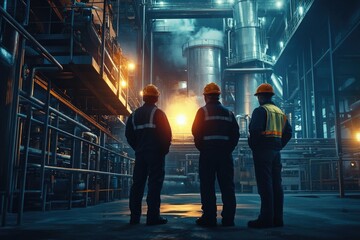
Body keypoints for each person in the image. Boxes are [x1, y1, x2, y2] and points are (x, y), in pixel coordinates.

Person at [192, 82, 240, 227]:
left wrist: (203, 148)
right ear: (218, 96)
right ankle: (228, 219)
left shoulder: (202, 112)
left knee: (207, 186)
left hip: (208, 154)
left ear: (206, 96)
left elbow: (196, 132)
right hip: (225, 154)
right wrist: (228, 149)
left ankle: (209, 217)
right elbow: (235, 135)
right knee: (227, 187)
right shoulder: (228, 112)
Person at [125, 84, 172, 226]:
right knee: (154, 185)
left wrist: (138, 148)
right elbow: (166, 135)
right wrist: (162, 151)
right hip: (155, 155)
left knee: (137, 184)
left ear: (144, 97)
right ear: (156, 98)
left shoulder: (133, 115)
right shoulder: (158, 114)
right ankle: (152, 217)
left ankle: (134, 217)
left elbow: (129, 135)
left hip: (140, 155)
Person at [247, 83, 292, 228]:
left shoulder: (260, 111)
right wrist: (278, 145)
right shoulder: (279, 112)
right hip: (275, 152)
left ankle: (265, 218)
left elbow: (255, 131)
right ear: (271, 96)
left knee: (265, 185)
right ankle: (277, 218)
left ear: (260, 97)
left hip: (262, 151)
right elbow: (289, 132)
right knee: (276, 185)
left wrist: (254, 147)